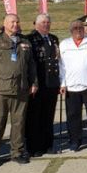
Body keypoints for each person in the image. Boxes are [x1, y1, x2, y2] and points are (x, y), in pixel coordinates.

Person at [0, 14, 37, 166]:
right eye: (12, 21)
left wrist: (34, 83)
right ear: (4, 23)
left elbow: (31, 65)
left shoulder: (24, 42)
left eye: (17, 21)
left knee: (19, 123)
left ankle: (17, 152)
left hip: (21, 90)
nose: (15, 24)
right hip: (0, 91)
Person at [60, 20, 87, 152]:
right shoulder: (64, 44)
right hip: (71, 86)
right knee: (73, 116)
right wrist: (62, 83)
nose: (78, 30)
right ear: (70, 30)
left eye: (80, 27)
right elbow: (61, 66)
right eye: (75, 28)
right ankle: (74, 141)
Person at [27, 13, 61, 155]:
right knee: (35, 116)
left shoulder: (53, 39)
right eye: (43, 22)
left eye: (48, 22)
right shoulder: (30, 39)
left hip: (51, 83)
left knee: (48, 115)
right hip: (37, 83)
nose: (46, 24)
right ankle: (34, 147)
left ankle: (48, 144)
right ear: (36, 24)